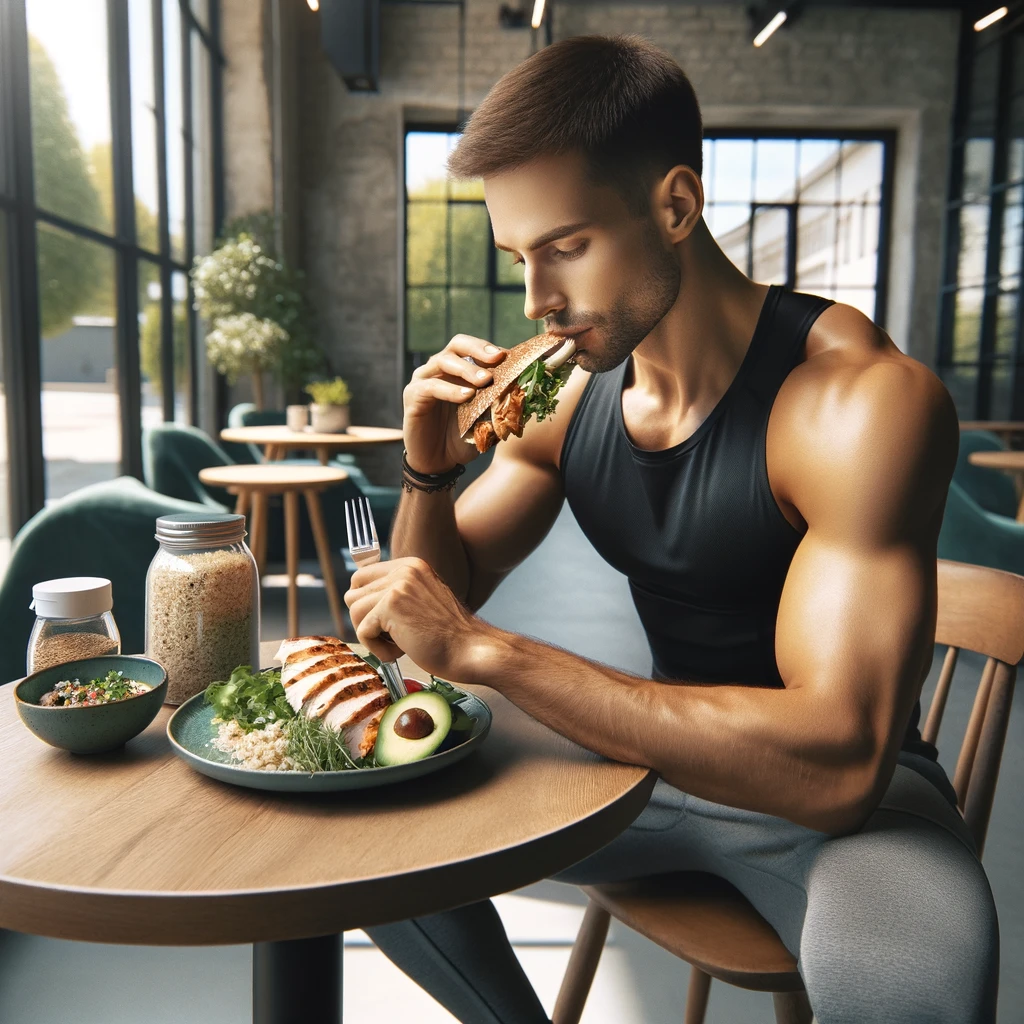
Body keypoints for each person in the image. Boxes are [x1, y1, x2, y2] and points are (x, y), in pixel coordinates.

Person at [343, 34, 998, 1024]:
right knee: (364, 826)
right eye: (520, 257)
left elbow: (838, 764)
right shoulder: (566, 392)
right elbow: (435, 600)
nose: (538, 301)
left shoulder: (856, 402)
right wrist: (428, 465)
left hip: (849, 812)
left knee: (909, 996)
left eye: (567, 246)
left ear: (675, 206)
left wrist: (489, 654)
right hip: (641, 766)